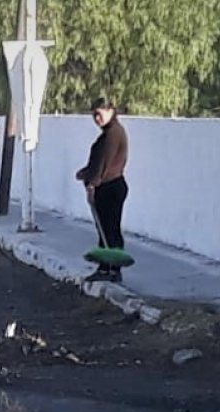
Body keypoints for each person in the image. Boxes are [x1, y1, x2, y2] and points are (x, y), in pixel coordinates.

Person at [75, 98, 130, 282]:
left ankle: (114, 270)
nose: (97, 118)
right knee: (105, 229)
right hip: (107, 186)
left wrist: (92, 184)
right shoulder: (108, 133)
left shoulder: (113, 134)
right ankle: (106, 268)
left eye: (100, 113)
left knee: (110, 230)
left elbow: (104, 164)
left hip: (110, 187)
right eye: (94, 114)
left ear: (111, 111)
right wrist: (86, 172)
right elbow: (98, 162)